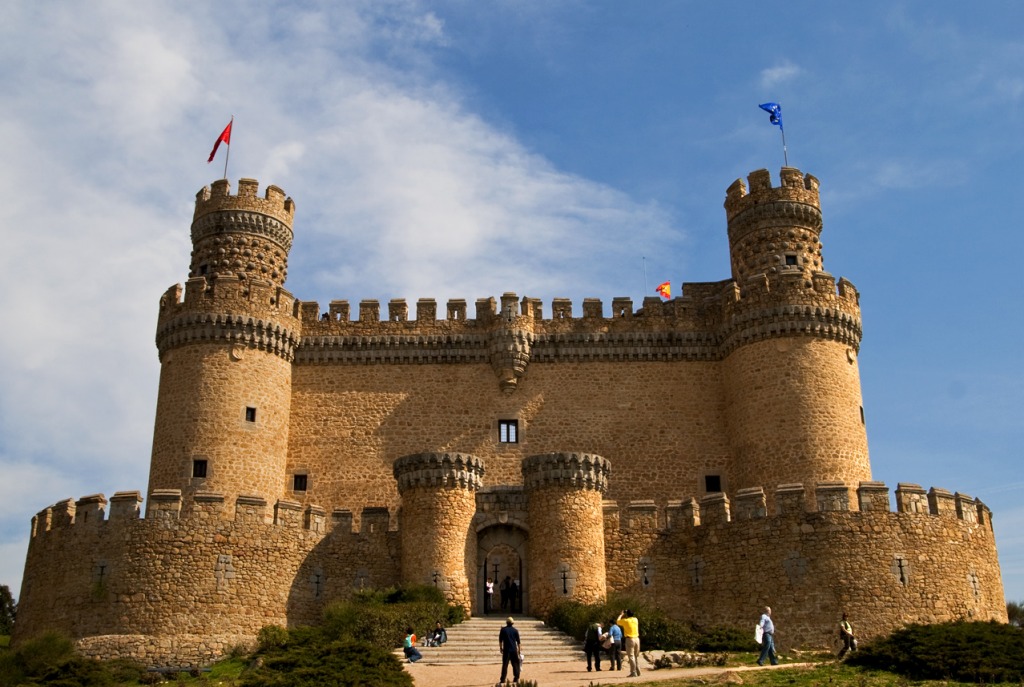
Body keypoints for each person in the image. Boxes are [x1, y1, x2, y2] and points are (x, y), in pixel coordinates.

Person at [616, 609, 641, 677]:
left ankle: (633, 672)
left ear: (627, 615)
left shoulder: (626, 621)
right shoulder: (636, 619)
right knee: (636, 656)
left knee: (631, 656)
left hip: (630, 639)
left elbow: (617, 621)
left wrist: (621, 614)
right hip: (637, 639)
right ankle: (638, 671)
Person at [498, 616, 522, 684]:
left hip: (506, 650)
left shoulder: (503, 630)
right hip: (514, 649)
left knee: (505, 665)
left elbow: (500, 640)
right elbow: (518, 642)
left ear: (506, 622)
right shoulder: (515, 630)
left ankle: (503, 679)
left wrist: (501, 648)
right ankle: (516, 678)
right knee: (515, 664)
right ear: (512, 623)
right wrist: (519, 650)